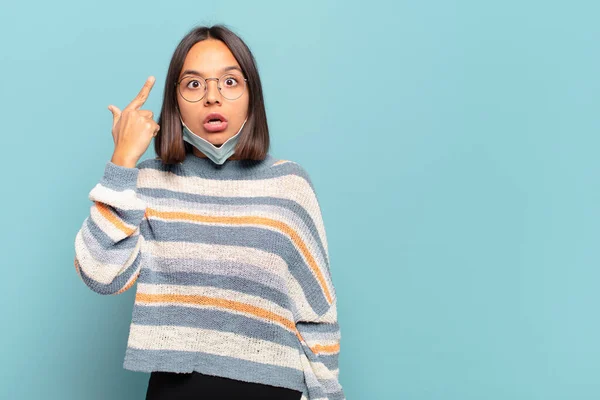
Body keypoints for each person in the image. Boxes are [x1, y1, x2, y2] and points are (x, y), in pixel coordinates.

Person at [73, 24, 345, 400]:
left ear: (252, 96)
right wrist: (122, 162)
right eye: (194, 84)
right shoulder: (148, 182)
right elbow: (101, 275)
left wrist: (327, 395)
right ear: (176, 100)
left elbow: (318, 315)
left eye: (230, 82)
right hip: (177, 391)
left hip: (275, 390)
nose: (212, 98)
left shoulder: (289, 185)